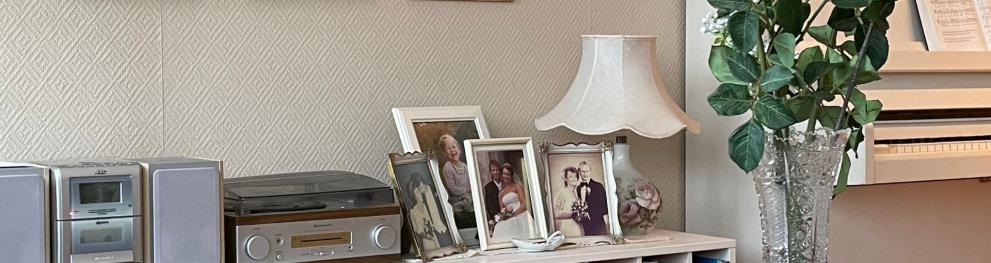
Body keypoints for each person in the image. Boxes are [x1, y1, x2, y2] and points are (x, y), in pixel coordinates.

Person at [489, 163, 535, 242]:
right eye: (504, 174)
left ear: (511, 176)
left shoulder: (517, 186)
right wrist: (505, 213)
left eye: (508, 174)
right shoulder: (501, 193)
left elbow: (525, 204)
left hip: (520, 213)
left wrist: (514, 215)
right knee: (499, 227)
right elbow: (502, 209)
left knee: (514, 224)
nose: (505, 176)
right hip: (508, 216)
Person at [407, 173, 449, 251]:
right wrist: (429, 237)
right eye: (417, 192)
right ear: (413, 196)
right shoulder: (413, 211)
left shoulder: (426, 206)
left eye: (420, 191)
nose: (420, 193)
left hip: (435, 238)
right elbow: (418, 231)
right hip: (426, 241)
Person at [438, 134, 474, 227]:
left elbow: (470, 182)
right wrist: (465, 190)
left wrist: (471, 188)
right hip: (457, 198)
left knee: (472, 199)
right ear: (444, 153)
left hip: (467, 195)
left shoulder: (464, 166)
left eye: (454, 147)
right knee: (465, 203)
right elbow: (451, 188)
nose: (452, 150)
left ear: (459, 149)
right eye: (448, 149)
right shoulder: (448, 167)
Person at [575, 161, 609, 235]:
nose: (585, 174)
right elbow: (580, 205)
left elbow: (605, 205)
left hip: (598, 221)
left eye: (587, 171)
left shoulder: (598, 186)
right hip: (585, 222)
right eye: (583, 171)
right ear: (579, 172)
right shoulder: (578, 188)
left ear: (590, 172)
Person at [552, 166, 585, 237]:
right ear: (565, 179)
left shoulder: (575, 193)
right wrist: (573, 215)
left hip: (577, 226)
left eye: (575, 176)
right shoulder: (563, 193)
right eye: (571, 177)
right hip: (568, 227)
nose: (574, 179)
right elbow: (556, 214)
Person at [482, 160, 503, 232]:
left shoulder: (505, 183)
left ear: (500, 171)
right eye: (493, 170)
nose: (495, 172)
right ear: (490, 172)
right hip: (496, 218)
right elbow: (489, 206)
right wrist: (496, 217)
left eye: (497, 170)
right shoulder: (488, 187)